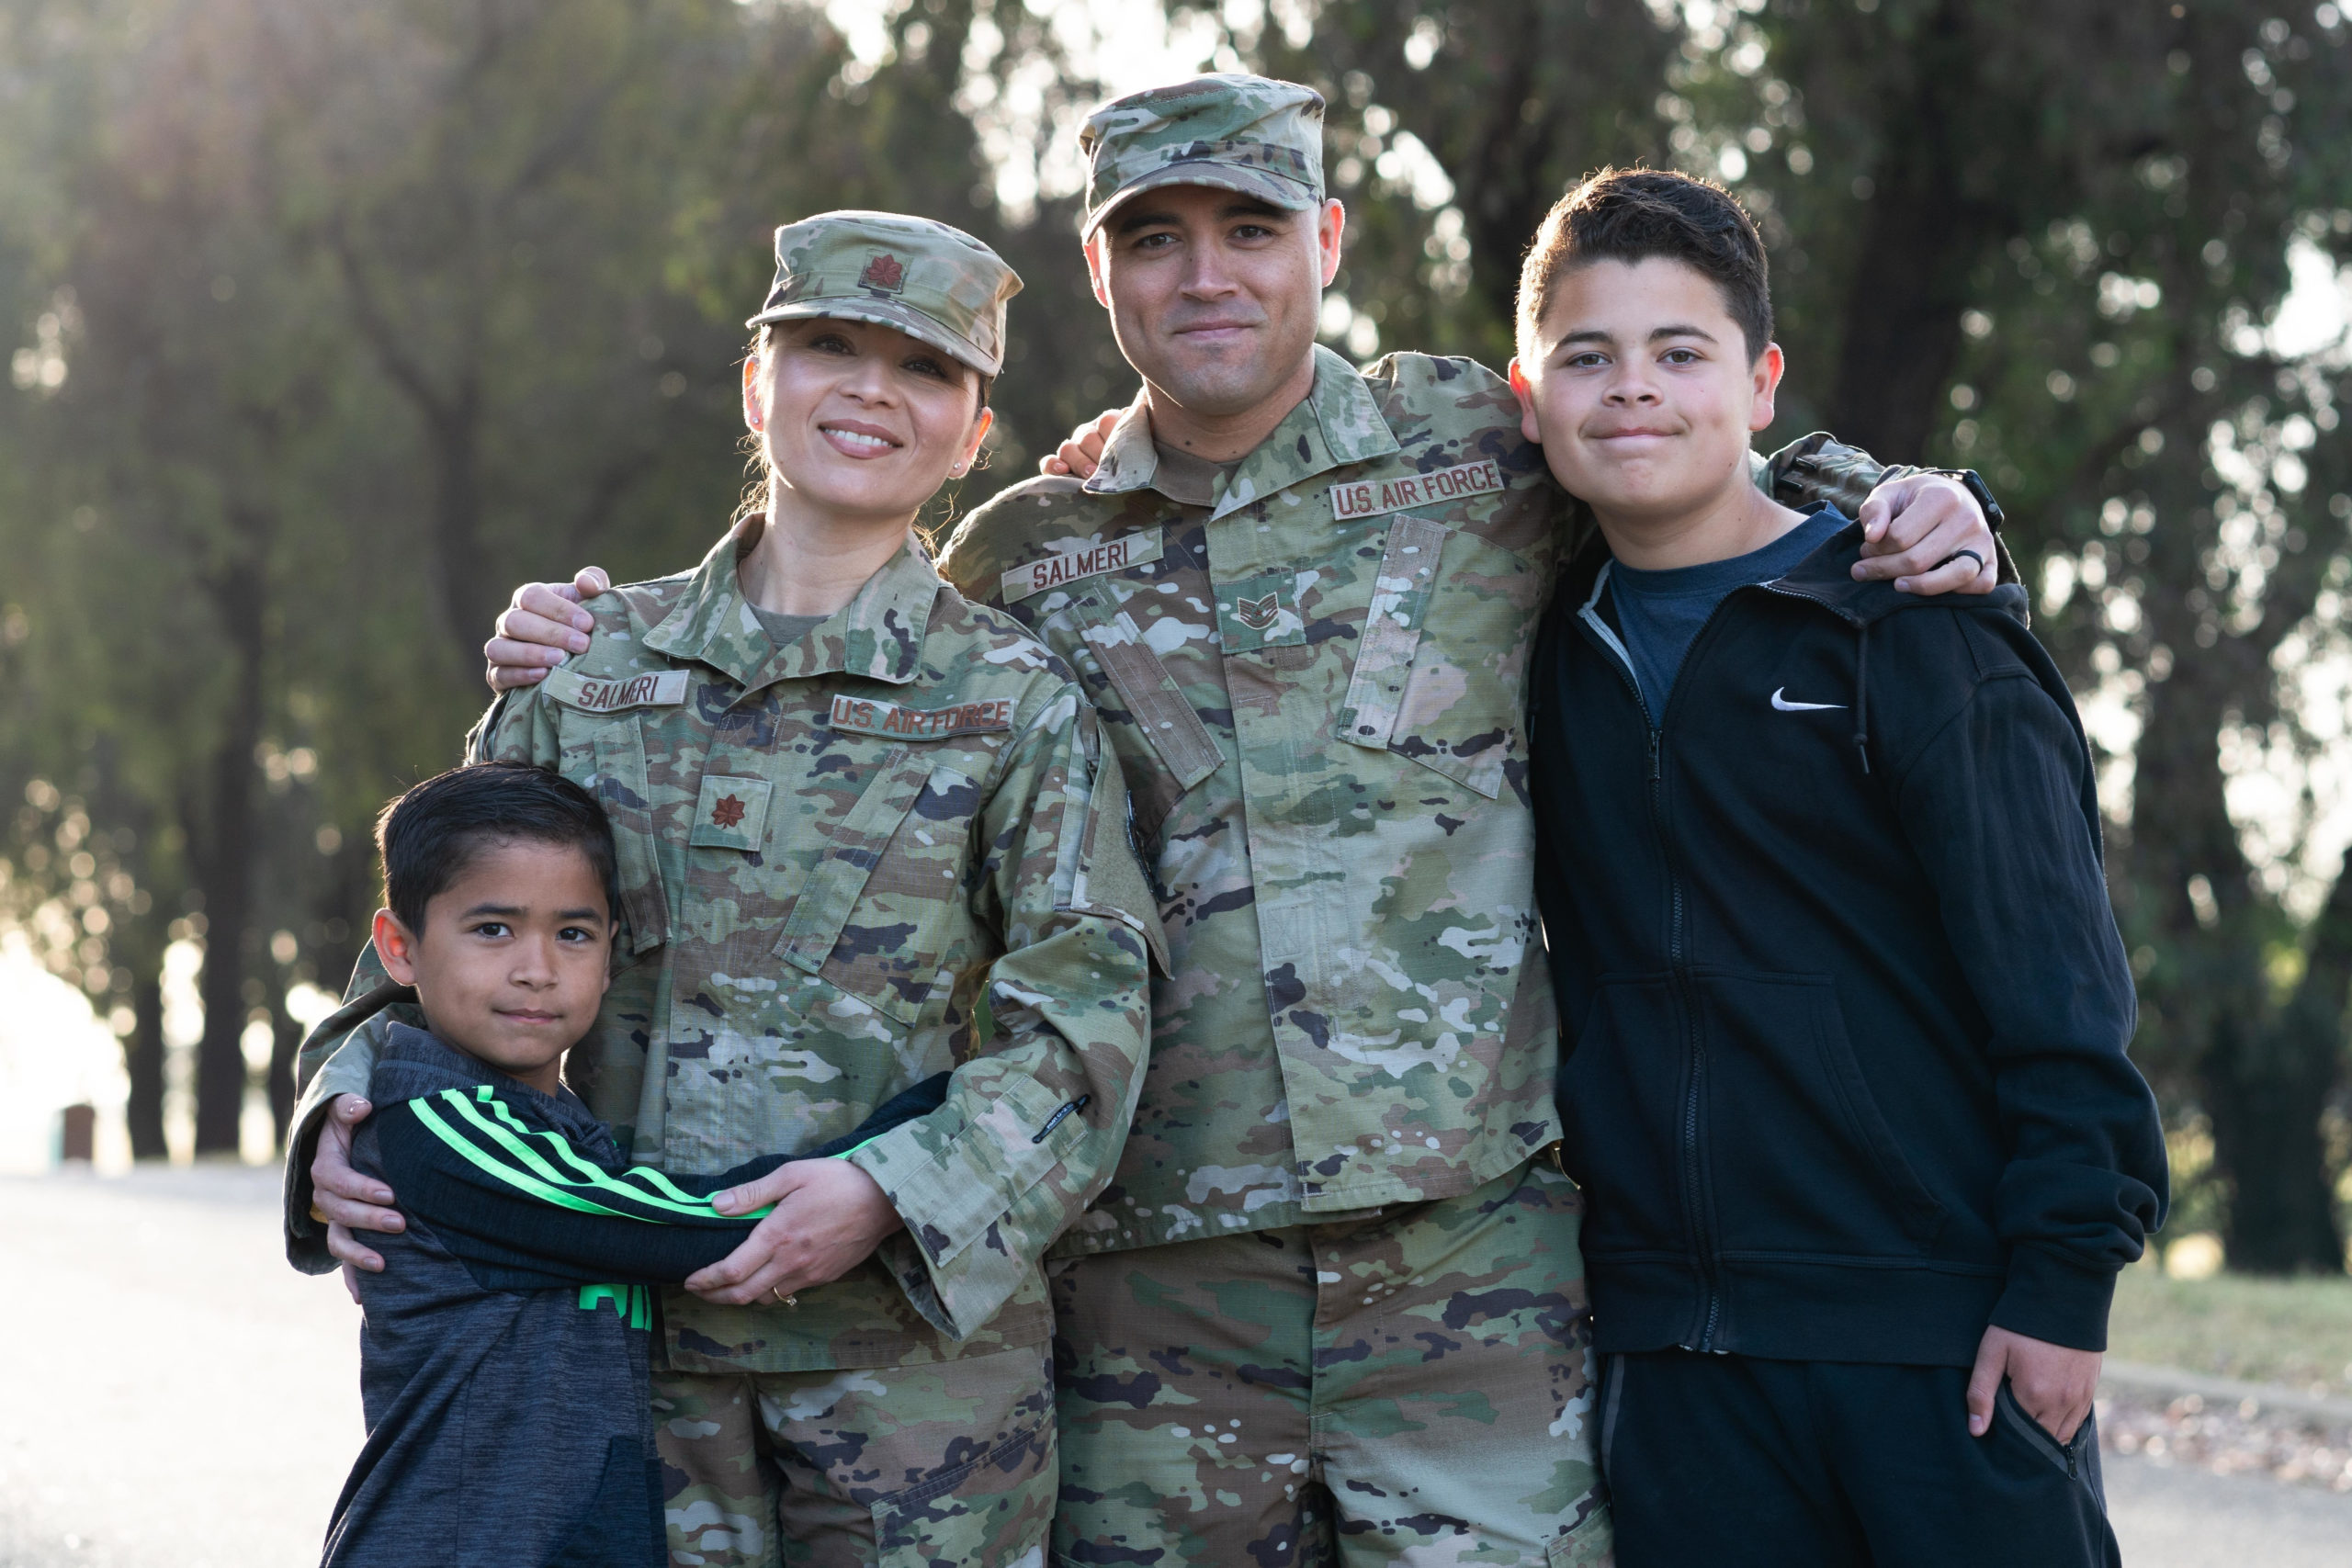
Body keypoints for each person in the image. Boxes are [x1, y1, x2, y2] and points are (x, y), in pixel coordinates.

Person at [474, 76, 2003, 1568]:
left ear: (1327, 241)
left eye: (1250, 229)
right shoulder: (1029, 549)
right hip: (1158, 1309)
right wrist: (588, 625)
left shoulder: (1474, 452)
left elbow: (1675, 444)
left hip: (1468, 1275)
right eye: (1155, 237)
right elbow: (827, 685)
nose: (1205, 274)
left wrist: (1888, 493)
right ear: (1100, 268)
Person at [287, 211, 1162, 1568]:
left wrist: (889, 1186)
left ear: (974, 429)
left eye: (923, 367)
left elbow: (1087, 1024)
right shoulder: (588, 668)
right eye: (828, 347)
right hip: (620, 1368)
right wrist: (331, 1122)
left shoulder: (1015, 701)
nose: (870, 389)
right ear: (759, 384)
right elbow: (410, 966)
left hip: (917, 1394)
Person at [1516, 167, 2166, 1567]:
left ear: (1762, 387)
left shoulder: (1917, 628)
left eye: (1681, 352)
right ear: (1530, 393)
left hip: (1940, 1341)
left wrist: (2064, 1285)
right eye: (1589, 356)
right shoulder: (1530, 646)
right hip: (1675, 1366)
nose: (1634, 389)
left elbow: (2064, 987)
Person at [324, 761, 951, 1568]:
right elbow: (697, 1227)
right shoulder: (444, 1129)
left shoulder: (543, 1111)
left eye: (573, 933)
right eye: (493, 929)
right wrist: (936, 1119)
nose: (537, 968)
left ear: (613, 954)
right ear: (399, 949)